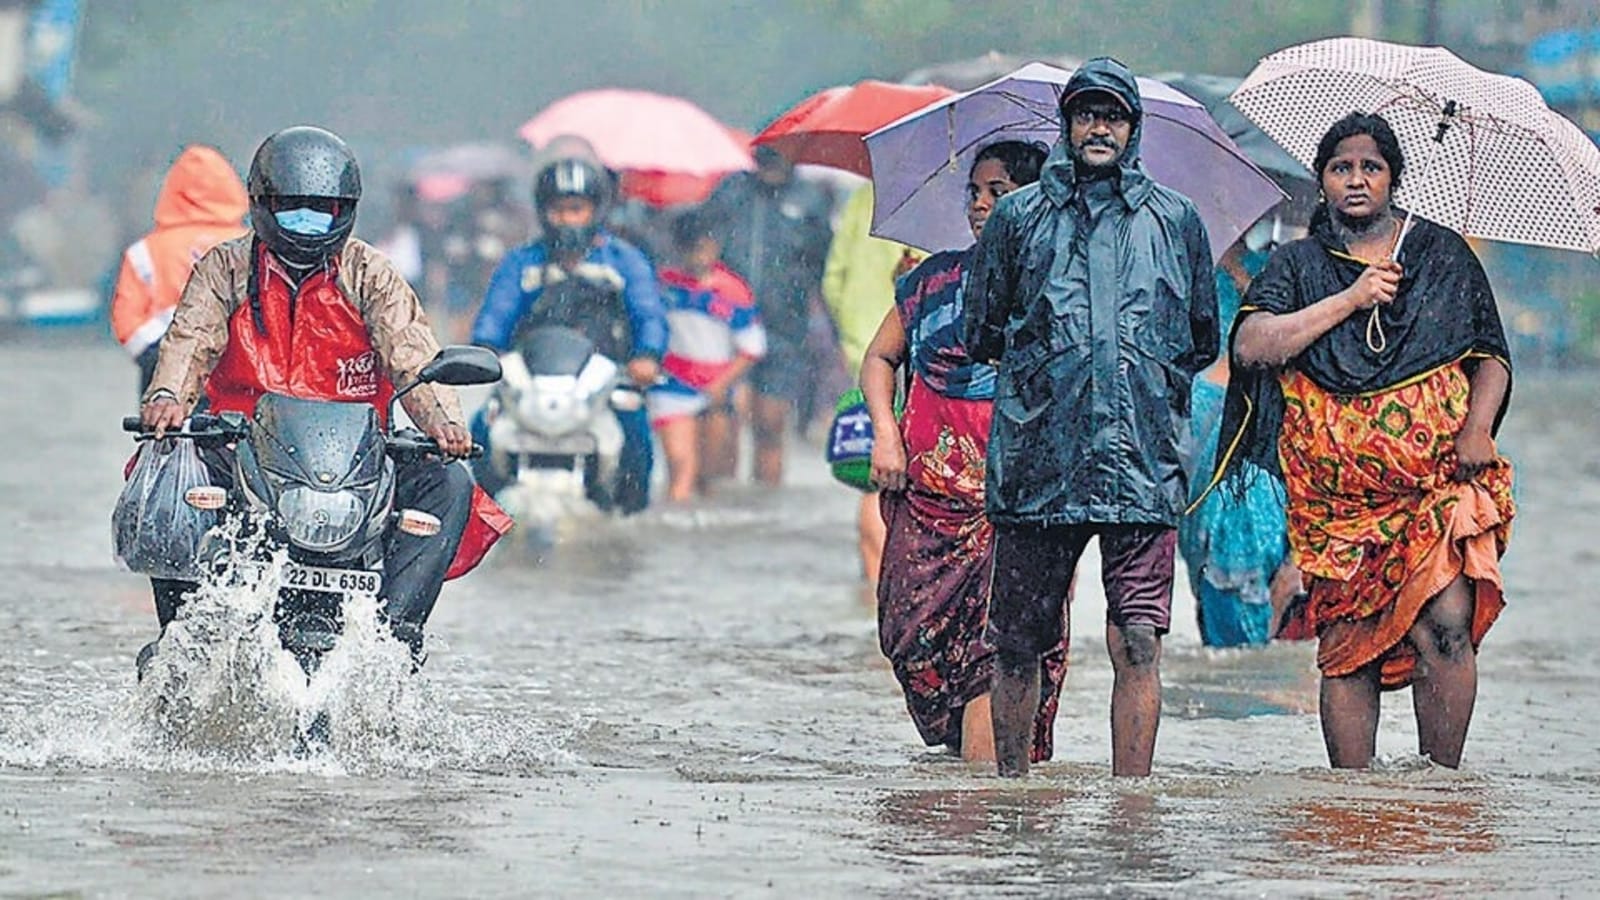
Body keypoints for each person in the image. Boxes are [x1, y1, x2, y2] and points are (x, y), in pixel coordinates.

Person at [138, 125, 505, 665]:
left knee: (449, 481)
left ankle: (395, 635)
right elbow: (190, 338)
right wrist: (168, 396)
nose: (308, 226)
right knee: (169, 473)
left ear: (348, 212)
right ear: (262, 206)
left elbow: (411, 354)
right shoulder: (224, 267)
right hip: (241, 446)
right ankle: (183, 638)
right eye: (293, 211)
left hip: (355, 456)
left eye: (323, 212)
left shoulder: (372, 273)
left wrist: (444, 425)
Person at [1223, 111, 1514, 769]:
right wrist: (1351, 299)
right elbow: (1252, 346)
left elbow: (1490, 355)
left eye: (1370, 167)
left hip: (1436, 486)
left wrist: (1477, 429)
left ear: (1392, 179)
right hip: (1337, 510)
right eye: (1340, 168)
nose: (1355, 180)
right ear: (1322, 182)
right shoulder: (1299, 264)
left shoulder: (1440, 256)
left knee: (1446, 627)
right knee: (1349, 647)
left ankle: (1440, 793)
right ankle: (1352, 805)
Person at [965, 57, 1219, 778]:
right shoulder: (1018, 219)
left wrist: (1141, 379)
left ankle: (1130, 806)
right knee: (1018, 642)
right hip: (1039, 459)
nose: (1098, 127)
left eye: (1112, 115)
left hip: (1141, 460)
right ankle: (1012, 794)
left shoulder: (1176, 220)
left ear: (1133, 129)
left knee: (1139, 639)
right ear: (1067, 125)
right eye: (1086, 114)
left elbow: (1201, 336)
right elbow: (982, 329)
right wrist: (1050, 367)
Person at [864, 140, 1063, 764]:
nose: (980, 204)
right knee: (909, 634)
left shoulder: (1060, 285)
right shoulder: (932, 280)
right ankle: (970, 780)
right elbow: (880, 358)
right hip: (924, 500)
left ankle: (985, 811)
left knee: (996, 648)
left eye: (997, 192)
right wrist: (884, 432)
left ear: (1032, 202)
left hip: (1016, 503)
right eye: (974, 192)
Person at [471, 155, 668, 514]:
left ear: (596, 210)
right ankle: (483, 521)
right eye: (558, 210)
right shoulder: (522, 262)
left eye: (576, 209)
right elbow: (495, 314)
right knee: (480, 430)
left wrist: (647, 356)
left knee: (636, 436)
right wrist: (486, 350)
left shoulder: (625, 261)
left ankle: (629, 518)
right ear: (543, 212)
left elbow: (649, 315)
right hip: (530, 383)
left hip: (605, 384)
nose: (566, 219)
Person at [1178, 236, 1307, 647]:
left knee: (1246, 531)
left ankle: (1259, 647)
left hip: (1262, 409)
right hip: (1203, 403)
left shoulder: (1298, 261)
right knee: (1203, 537)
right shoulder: (1190, 249)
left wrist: (1245, 276)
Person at [702, 145, 833, 485]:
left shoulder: (810, 200)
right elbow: (703, 242)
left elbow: (824, 266)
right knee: (724, 416)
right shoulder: (732, 192)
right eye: (765, 156)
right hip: (727, 325)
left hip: (784, 329)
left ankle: (766, 507)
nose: (771, 165)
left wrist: (831, 326)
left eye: (779, 155)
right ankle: (722, 506)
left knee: (770, 422)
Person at [823, 181, 928, 586]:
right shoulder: (960, 193)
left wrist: (852, 333)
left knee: (878, 477)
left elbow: (833, 279)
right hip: (931, 354)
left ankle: (873, 593)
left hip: (866, 347)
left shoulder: (865, 195)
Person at [648, 208, 765, 502]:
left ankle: (700, 536)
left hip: (717, 391)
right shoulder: (663, 285)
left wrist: (722, 386)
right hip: (671, 386)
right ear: (678, 247)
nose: (697, 255)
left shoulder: (734, 291)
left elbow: (752, 349)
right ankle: (677, 526)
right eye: (690, 247)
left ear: (716, 245)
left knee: (710, 475)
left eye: (703, 246)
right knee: (681, 464)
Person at [110, 144, 248, 394]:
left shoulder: (146, 251)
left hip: (163, 367)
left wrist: (154, 353)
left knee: (162, 430)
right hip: (237, 365)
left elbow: (127, 316)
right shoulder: (252, 245)